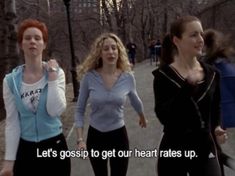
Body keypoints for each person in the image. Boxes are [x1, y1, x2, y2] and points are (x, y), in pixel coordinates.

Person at [152, 16, 227, 176]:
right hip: (174, 150)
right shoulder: (163, 76)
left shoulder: (213, 74)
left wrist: (218, 127)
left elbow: (216, 108)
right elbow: (165, 117)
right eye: (193, 35)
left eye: (201, 34)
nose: (200, 39)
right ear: (176, 40)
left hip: (205, 148)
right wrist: (188, 87)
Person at [0, 19, 70, 176]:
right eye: (27, 38)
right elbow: (12, 122)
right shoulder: (10, 81)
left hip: (55, 147)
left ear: (44, 44)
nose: (32, 41)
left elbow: (55, 110)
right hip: (26, 150)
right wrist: (9, 162)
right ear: (21, 44)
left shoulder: (57, 73)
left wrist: (51, 77)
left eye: (37, 38)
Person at [74, 32, 147, 176]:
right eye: (106, 48)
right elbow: (79, 110)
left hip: (118, 136)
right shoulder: (89, 78)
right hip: (96, 136)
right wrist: (80, 140)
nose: (110, 52)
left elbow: (135, 100)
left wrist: (142, 116)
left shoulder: (127, 77)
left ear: (119, 51)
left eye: (114, 48)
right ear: (99, 53)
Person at [203, 28, 235, 175]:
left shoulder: (203, 69)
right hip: (229, 118)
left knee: (213, 154)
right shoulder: (230, 67)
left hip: (214, 121)